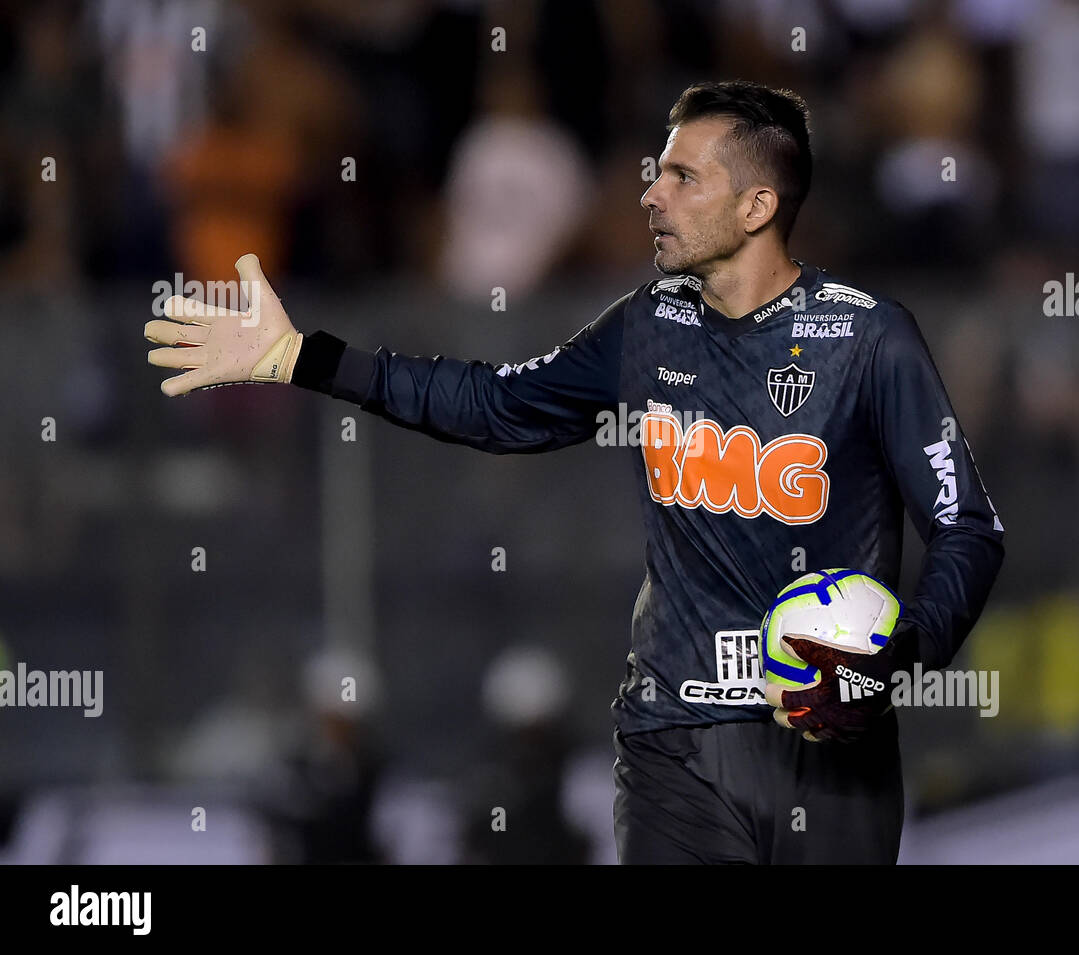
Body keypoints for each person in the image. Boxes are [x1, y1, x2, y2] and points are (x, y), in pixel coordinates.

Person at [143, 80, 1005, 864]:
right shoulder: (648, 324)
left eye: (681, 177)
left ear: (757, 205)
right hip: (676, 744)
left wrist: (899, 653)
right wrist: (306, 357)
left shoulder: (868, 339)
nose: (650, 194)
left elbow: (970, 526)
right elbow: (495, 405)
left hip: (834, 756)